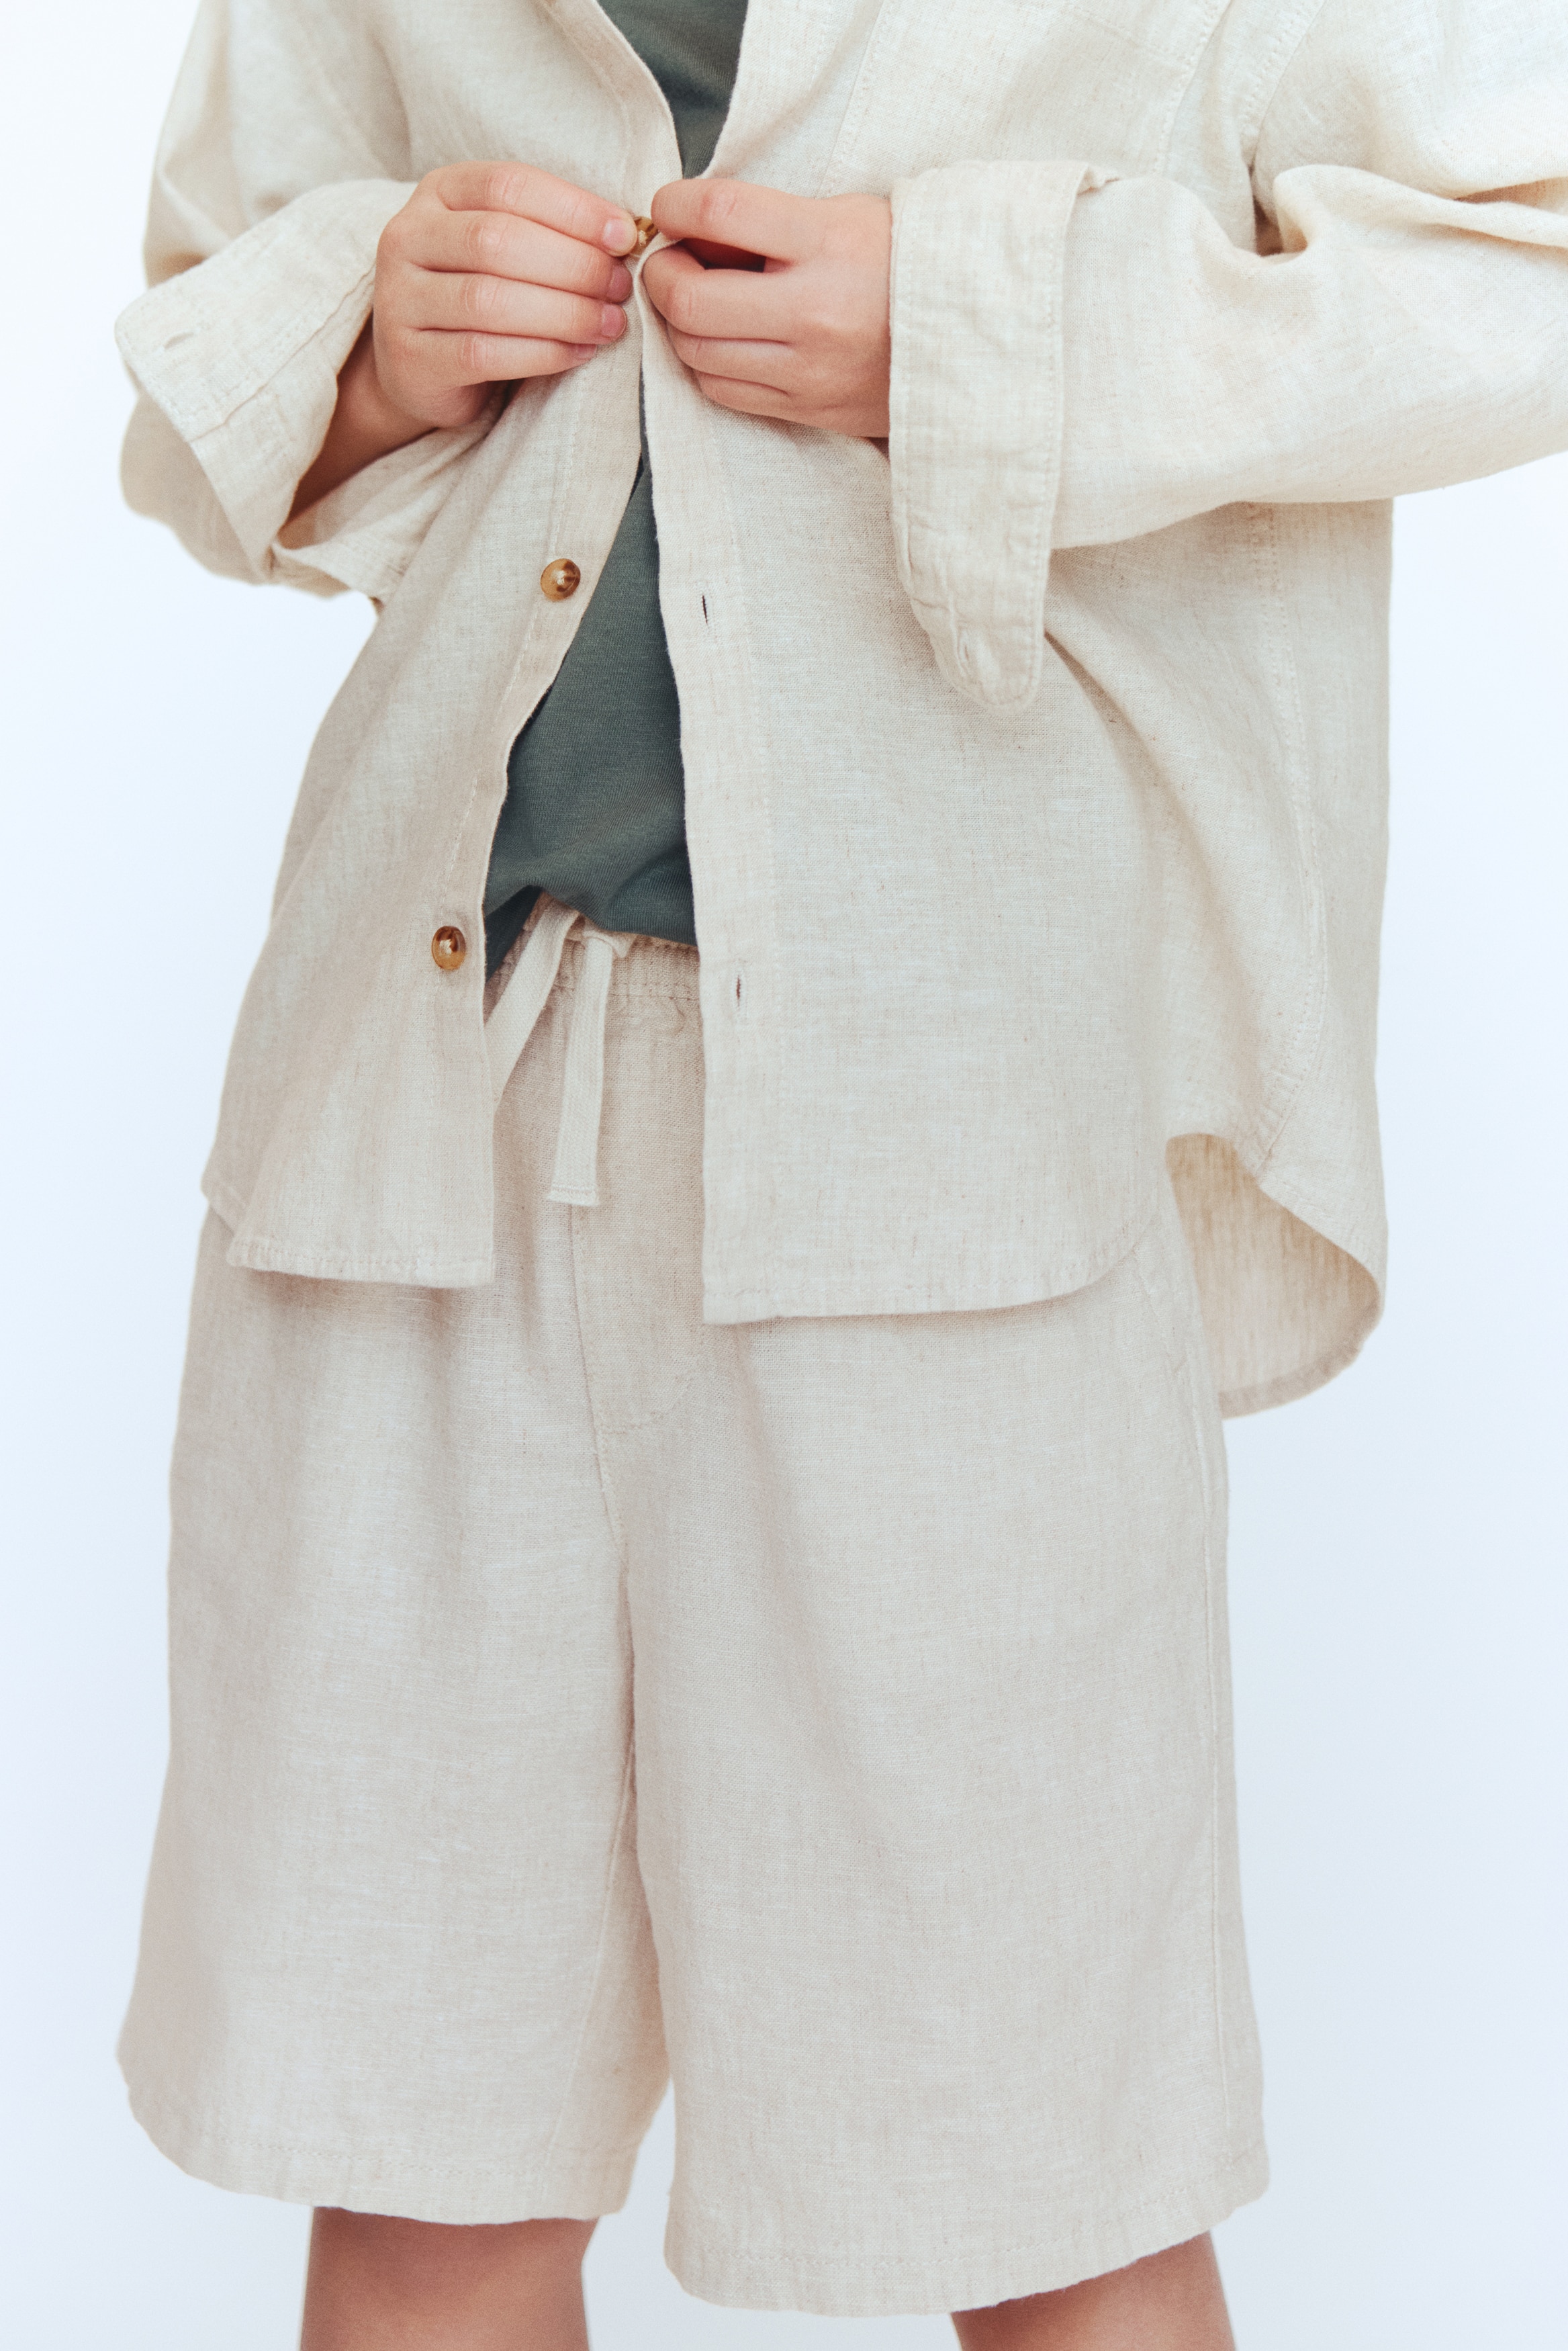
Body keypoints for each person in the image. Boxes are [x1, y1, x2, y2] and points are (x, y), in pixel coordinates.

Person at [113, 0, 1568, 2343]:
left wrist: (982, 324)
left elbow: (1527, 258)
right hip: (415, 1117)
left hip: (952, 1128)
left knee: (1052, 2197)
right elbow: (208, 315)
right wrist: (374, 334)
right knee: (414, 2185)